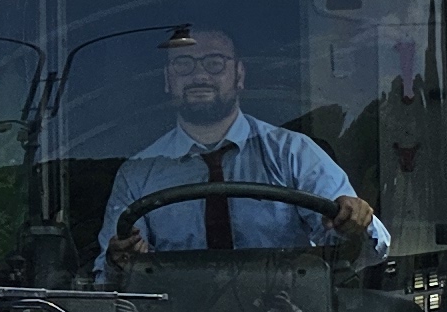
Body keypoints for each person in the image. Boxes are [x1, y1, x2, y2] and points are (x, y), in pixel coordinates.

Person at [97, 26, 383, 273]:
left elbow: (371, 245)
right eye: (183, 64)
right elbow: (109, 271)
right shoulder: (137, 174)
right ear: (167, 79)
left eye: (215, 63)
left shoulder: (294, 154)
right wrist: (120, 260)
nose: (199, 75)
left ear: (240, 75)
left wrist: (354, 222)